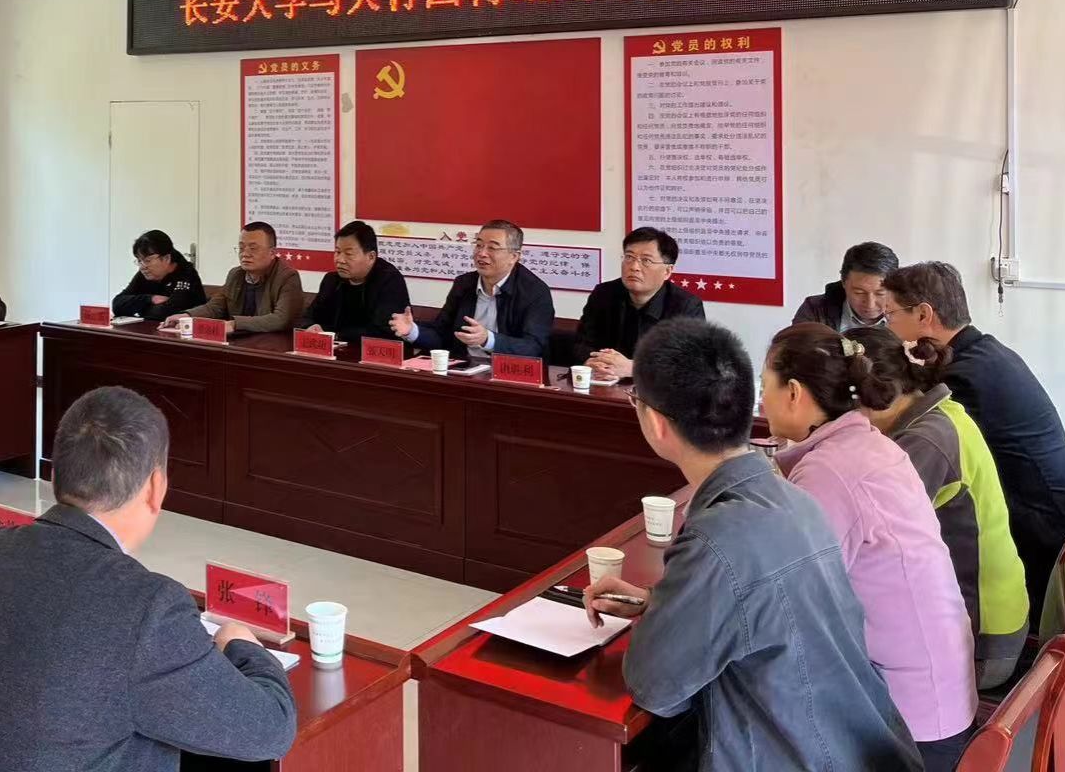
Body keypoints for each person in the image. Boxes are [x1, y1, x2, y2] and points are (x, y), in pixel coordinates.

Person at [581, 319, 918, 772]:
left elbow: (655, 687)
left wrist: (665, 614)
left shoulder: (718, 536)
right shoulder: (795, 498)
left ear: (657, 423)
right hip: (856, 748)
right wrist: (661, 603)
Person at [0, 386, 297, 772]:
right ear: (156, 487)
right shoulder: (148, 607)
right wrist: (243, 646)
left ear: (55, 476)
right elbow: (270, 729)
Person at [762, 323, 976, 769]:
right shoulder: (868, 443)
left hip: (910, 723)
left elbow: (789, 599)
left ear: (794, 393)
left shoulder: (829, 470)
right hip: (939, 692)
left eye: (766, 387)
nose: (762, 401)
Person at [882, 260, 1065, 613]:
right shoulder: (986, 353)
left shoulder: (965, 378)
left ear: (924, 314)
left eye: (890, 315)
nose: (887, 327)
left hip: (1040, 540)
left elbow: (917, 461)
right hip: (1056, 521)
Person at [856, 327, 1029, 689]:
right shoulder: (941, 412)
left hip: (982, 644)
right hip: (1000, 618)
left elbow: (863, 533)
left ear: (868, 394)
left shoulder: (923, 441)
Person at [389, 220, 553, 360]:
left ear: (514, 257)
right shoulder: (464, 284)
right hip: (464, 367)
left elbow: (533, 346)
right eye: (479, 245)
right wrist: (412, 331)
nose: (482, 253)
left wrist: (488, 339)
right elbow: (442, 334)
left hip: (509, 374)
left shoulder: (535, 292)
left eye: (492, 248)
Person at [578, 227, 703, 382]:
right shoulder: (604, 294)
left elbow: (690, 366)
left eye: (646, 260)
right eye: (629, 257)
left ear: (667, 271)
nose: (634, 267)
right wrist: (593, 362)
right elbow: (582, 343)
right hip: (603, 384)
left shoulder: (686, 306)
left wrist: (633, 368)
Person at [297, 222, 410, 350]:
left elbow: (384, 331)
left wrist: (337, 335)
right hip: (335, 352)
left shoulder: (389, 281)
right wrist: (310, 326)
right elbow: (308, 316)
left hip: (377, 355)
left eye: (349, 254)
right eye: (337, 252)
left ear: (371, 257)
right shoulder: (332, 280)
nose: (340, 260)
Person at [180, 222, 304, 336]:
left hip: (272, 343)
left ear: (272, 253)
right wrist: (187, 316)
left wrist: (235, 324)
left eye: (253, 248)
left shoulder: (287, 277)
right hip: (239, 340)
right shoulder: (235, 274)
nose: (245, 254)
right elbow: (215, 307)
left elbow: (280, 319)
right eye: (241, 248)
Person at [792, 241, 898, 331]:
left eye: (880, 293)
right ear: (843, 282)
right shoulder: (816, 310)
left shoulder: (907, 313)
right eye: (859, 293)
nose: (870, 304)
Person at [112, 230, 206, 322]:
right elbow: (117, 305)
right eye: (139, 261)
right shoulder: (146, 272)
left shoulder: (186, 273)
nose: (142, 267)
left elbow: (165, 313)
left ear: (166, 258)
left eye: (147, 260)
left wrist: (138, 307)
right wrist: (150, 299)